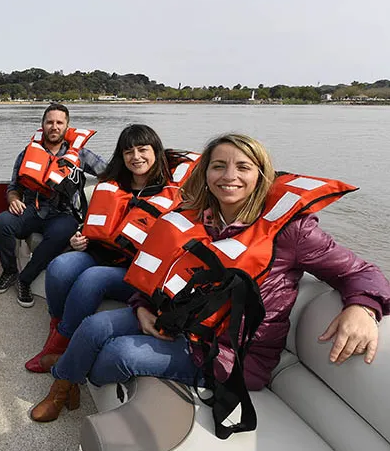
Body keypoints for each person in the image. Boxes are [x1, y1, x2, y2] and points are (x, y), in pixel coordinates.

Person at [29, 133, 390, 430]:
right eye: (218, 166)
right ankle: (64, 386)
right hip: (177, 320)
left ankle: (67, 376)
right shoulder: (196, 218)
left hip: (229, 355)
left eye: (242, 167)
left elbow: (360, 272)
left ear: (261, 175)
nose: (228, 176)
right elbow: (155, 276)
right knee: (93, 327)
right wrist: (140, 308)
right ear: (205, 173)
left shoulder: (293, 233)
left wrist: (363, 307)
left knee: (116, 353)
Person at [25, 124, 198, 372]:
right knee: (60, 266)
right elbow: (96, 226)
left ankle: (60, 345)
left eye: (142, 149)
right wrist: (78, 240)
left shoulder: (175, 194)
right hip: (100, 253)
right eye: (128, 152)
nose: (136, 157)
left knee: (92, 278)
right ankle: (58, 325)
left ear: (156, 151)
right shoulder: (115, 185)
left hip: (136, 272)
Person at [0, 103, 106, 308]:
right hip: (31, 209)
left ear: (67, 126)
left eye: (59, 123)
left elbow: (109, 172)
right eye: (50, 122)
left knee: (62, 232)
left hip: (64, 214)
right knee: (2, 222)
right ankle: (9, 271)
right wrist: (14, 199)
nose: (54, 126)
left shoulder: (81, 154)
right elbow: (13, 186)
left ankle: (25, 279)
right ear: (42, 125)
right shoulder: (28, 152)